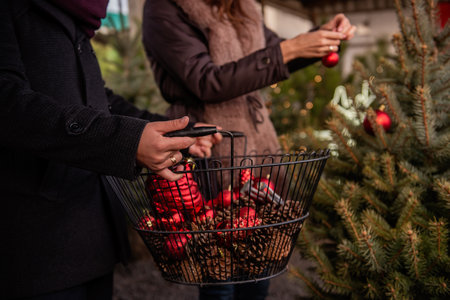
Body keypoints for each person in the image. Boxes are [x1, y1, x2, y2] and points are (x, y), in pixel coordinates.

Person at [0, 1, 221, 299]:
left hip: (92, 235)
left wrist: (177, 133)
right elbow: (9, 104)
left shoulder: (75, 17)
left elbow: (97, 101)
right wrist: (126, 142)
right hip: (37, 246)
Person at [142, 0, 355, 299]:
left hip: (255, 145)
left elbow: (278, 51)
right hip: (210, 146)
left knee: (259, 259)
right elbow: (207, 80)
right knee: (219, 271)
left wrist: (321, 37)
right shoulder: (166, 8)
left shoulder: (242, 8)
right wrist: (290, 49)